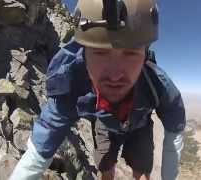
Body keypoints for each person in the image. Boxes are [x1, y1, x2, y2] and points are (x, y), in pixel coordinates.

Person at [10, 0, 186, 179]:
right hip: (105, 125)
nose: (115, 75)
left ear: (145, 55)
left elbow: (174, 135)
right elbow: (41, 147)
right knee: (106, 169)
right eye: (100, 52)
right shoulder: (71, 83)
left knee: (141, 173)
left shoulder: (159, 86)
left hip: (139, 126)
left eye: (131, 53)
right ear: (83, 53)